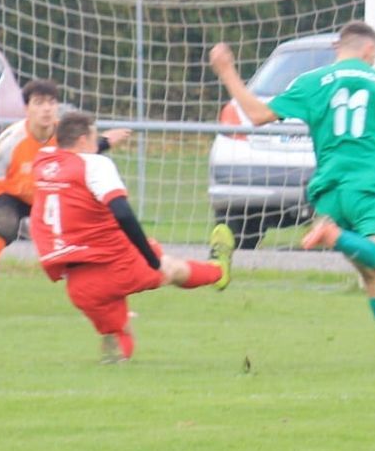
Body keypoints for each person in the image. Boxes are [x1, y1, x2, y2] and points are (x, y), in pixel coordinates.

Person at [208, 21, 375, 363]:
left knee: (370, 275)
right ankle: (332, 234)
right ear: (368, 50)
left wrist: (228, 71)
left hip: (328, 194)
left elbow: (257, 114)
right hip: (368, 188)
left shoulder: (311, 83)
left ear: (339, 47)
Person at [30, 110, 235, 363]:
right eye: (95, 137)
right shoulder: (97, 164)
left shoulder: (42, 160)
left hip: (78, 285)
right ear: (84, 140)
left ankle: (115, 354)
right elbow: (123, 213)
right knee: (170, 268)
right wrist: (151, 258)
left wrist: (104, 142)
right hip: (116, 263)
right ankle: (218, 270)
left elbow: (69, 155)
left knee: (117, 337)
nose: (98, 142)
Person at [0, 79, 130, 315]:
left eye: (51, 102)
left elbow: (86, 148)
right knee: (2, 229)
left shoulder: (64, 135)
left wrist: (105, 141)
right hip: (11, 196)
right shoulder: (10, 141)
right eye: (39, 103)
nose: (46, 109)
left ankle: (111, 303)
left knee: (88, 236)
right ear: (27, 109)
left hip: (48, 197)